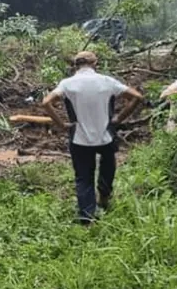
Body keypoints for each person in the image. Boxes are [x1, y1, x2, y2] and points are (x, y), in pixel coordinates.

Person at [41, 51, 144, 224]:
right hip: (105, 136)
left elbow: (46, 102)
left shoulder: (67, 84)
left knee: (83, 177)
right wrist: (119, 118)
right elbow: (137, 97)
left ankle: (87, 218)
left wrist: (61, 125)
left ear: (75, 65)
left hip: (79, 138)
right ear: (95, 63)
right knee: (107, 168)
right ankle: (103, 197)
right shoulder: (107, 81)